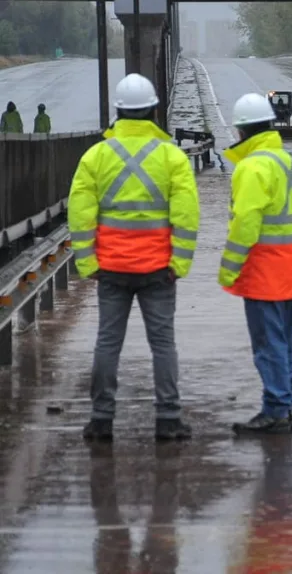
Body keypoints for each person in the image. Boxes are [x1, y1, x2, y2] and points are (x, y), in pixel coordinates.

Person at [69, 73, 199, 442]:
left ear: (119, 112)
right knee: (163, 344)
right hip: (159, 269)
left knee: (107, 342)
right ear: (155, 110)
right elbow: (187, 216)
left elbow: (80, 215)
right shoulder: (172, 157)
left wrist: (88, 264)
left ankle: (101, 419)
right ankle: (169, 419)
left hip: (110, 269)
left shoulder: (95, 157)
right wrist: (180, 264)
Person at [220, 93, 292, 435]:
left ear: (242, 131)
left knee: (268, 344)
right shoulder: (286, 162)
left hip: (263, 269)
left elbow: (246, 224)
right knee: (282, 341)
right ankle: (284, 403)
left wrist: (229, 267)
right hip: (288, 266)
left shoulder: (252, 167)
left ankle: (277, 410)